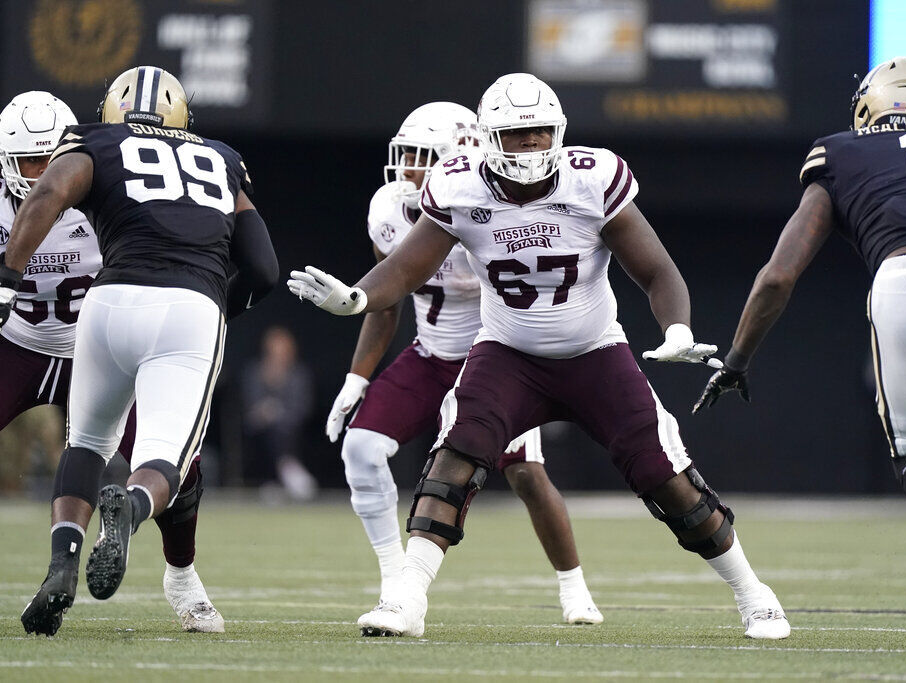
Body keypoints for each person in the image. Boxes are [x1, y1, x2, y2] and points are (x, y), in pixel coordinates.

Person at [289, 72, 789, 639]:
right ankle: (407, 597)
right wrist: (357, 298)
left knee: (666, 477)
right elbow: (407, 268)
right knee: (456, 455)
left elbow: (656, 270)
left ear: (559, 132)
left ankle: (753, 592)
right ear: (488, 138)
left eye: (540, 132)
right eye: (517, 134)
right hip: (509, 353)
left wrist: (677, 328)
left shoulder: (591, 178)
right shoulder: (459, 187)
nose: (530, 145)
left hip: (595, 351)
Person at [693, 56, 906, 651]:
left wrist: (737, 360)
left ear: (872, 101)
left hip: (900, 281)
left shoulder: (839, 151)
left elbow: (778, 276)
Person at [2, 66, 278, 635]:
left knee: (94, 446)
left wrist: (5, 281)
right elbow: (262, 266)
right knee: (166, 461)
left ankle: (118, 569)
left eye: (42, 159)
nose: (35, 173)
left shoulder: (94, 148)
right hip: (47, 337)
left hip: (100, 322)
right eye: (23, 161)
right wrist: (216, 310)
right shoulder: (219, 155)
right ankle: (126, 513)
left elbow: (54, 189)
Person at [328, 101, 602, 623]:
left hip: (493, 361)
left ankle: (574, 586)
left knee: (526, 475)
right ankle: (395, 581)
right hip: (429, 355)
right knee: (361, 448)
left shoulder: (488, 208)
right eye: (404, 154)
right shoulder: (387, 210)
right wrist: (356, 377)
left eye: (420, 156)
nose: (407, 168)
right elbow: (387, 298)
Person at [241, 325, 318, 500]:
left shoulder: (299, 374)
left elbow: (303, 407)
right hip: (258, 427)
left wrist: (279, 413)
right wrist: (264, 412)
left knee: (279, 429)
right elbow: (249, 405)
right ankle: (288, 469)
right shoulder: (255, 372)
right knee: (269, 429)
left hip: (291, 426)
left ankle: (277, 477)